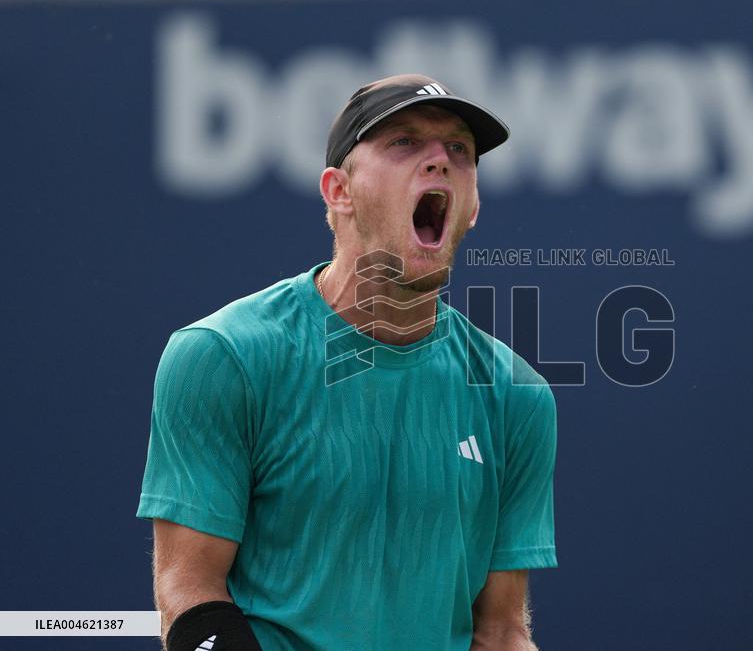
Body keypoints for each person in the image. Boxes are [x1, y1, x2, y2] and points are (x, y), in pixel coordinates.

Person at [137, 74, 558, 651]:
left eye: (458, 150)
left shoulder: (518, 396)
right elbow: (190, 593)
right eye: (404, 142)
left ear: (474, 205)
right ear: (339, 192)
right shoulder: (222, 357)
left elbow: (502, 632)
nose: (439, 161)